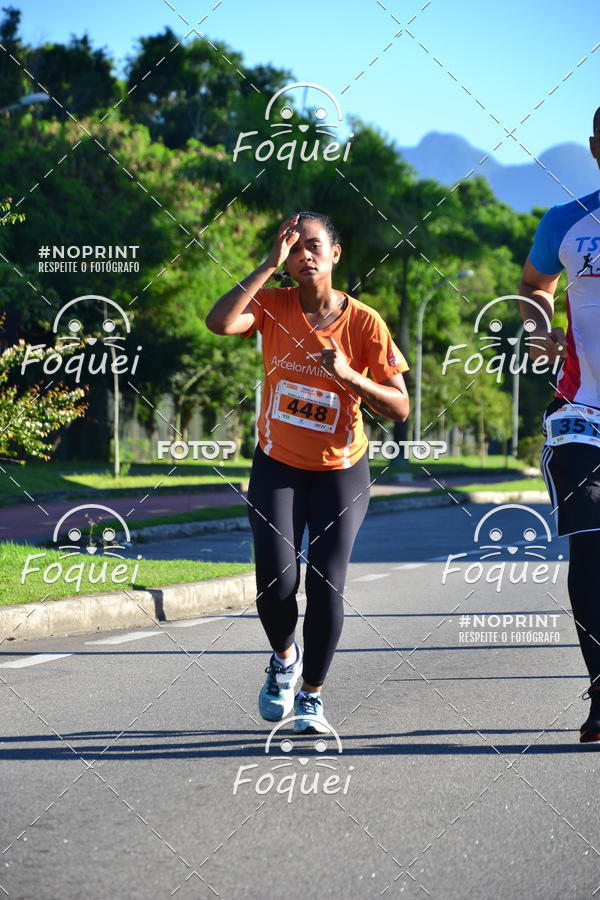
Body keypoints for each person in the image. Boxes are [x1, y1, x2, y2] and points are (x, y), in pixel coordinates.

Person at [205, 211, 409, 734]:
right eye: (293, 248)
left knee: (324, 584)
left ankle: (312, 696)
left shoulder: (364, 322)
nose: (303, 256)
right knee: (276, 581)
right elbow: (220, 323)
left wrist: (349, 375)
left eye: (313, 246)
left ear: (335, 254)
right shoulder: (271, 305)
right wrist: (264, 266)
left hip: (341, 469)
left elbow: (400, 406)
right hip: (277, 463)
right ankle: (284, 660)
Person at [519, 106, 600, 743]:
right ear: (596, 147)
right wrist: (540, 327)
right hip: (582, 412)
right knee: (592, 548)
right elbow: (533, 286)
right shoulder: (565, 222)